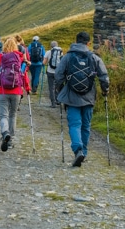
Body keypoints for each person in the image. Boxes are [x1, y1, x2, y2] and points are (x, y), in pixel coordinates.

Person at [54, 31, 109, 167]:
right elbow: (104, 76)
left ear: (76, 41)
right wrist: (105, 90)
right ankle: (83, 151)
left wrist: (59, 90)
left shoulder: (67, 57)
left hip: (72, 97)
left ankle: (78, 150)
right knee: (86, 125)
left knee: (74, 124)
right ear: (88, 43)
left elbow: (58, 75)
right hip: (89, 97)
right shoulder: (94, 57)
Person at [0, 37, 31, 151]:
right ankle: (10, 140)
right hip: (16, 91)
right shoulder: (19, 57)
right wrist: (27, 88)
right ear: (15, 47)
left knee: (4, 115)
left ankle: (5, 132)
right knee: (13, 114)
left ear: (4, 46)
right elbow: (23, 75)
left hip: (2, 90)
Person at [44, 41, 63, 108]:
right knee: (57, 86)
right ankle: (58, 100)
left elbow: (44, 63)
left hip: (50, 72)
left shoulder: (48, 52)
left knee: (51, 87)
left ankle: (53, 103)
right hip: (58, 72)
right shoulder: (60, 52)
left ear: (51, 46)